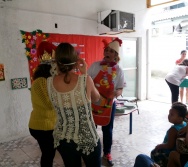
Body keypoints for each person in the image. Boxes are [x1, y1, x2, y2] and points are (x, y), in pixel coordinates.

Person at [47, 42, 101, 167]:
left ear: (56, 61)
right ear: (76, 61)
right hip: (89, 139)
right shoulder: (85, 79)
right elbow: (96, 98)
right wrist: (84, 74)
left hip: (64, 139)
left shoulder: (49, 82)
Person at [88, 38, 126, 166]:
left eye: (111, 51)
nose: (108, 53)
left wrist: (117, 93)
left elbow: (120, 88)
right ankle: (91, 151)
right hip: (93, 102)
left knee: (108, 130)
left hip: (109, 104)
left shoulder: (119, 70)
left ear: (116, 54)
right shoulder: (95, 66)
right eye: (106, 50)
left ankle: (107, 153)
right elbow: (86, 82)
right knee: (92, 128)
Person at [28, 41, 57, 167]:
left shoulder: (45, 80)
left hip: (45, 125)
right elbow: (50, 104)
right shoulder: (42, 82)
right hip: (43, 127)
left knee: (49, 154)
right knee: (48, 155)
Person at [150, 102, 187, 167]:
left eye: (172, 114)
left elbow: (169, 145)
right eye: (169, 113)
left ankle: (159, 164)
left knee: (153, 152)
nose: (169, 115)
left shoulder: (173, 130)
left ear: (180, 118)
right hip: (176, 150)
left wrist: (160, 146)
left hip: (168, 152)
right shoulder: (185, 124)